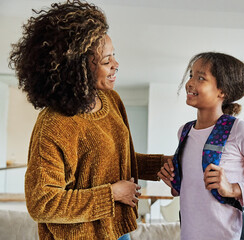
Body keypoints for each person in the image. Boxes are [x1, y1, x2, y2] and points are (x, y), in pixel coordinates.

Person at [9, 1, 169, 239]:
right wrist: (112, 195)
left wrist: (160, 165)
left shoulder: (111, 101)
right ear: (76, 69)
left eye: (113, 55)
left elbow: (112, 160)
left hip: (117, 230)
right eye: (106, 61)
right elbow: (42, 203)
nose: (116, 65)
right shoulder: (54, 125)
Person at [158, 52, 244, 240]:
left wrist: (233, 188)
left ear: (222, 91)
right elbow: (192, 191)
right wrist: (174, 183)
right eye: (191, 75)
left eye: (201, 77)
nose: (190, 83)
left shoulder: (240, 131)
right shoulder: (184, 132)